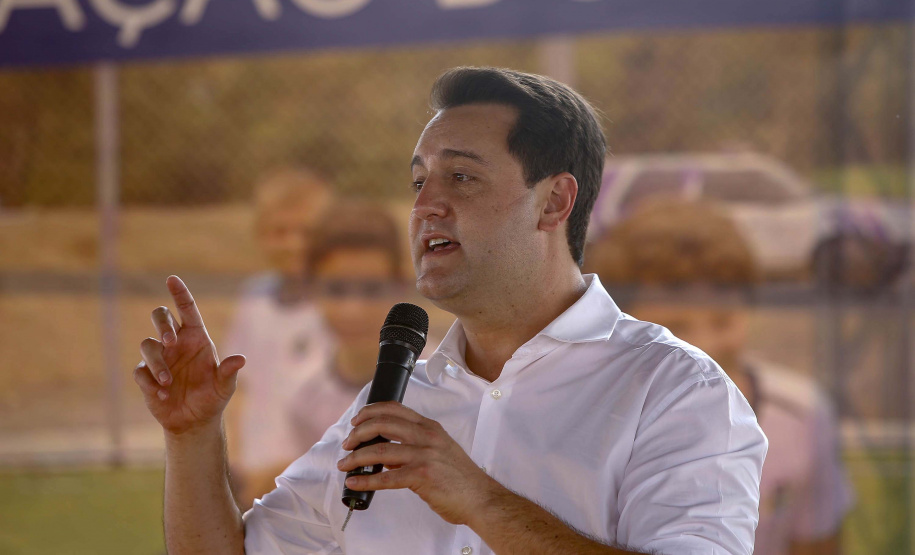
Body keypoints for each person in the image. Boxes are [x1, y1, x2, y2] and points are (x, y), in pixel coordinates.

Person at [132, 67, 767, 554]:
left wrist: (480, 500)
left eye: (460, 178)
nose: (425, 205)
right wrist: (192, 437)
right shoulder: (393, 404)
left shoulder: (679, 392)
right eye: (418, 182)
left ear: (553, 202)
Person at [586, 199, 853, 555]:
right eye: (675, 327)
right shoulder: (589, 419)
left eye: (723, 320)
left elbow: (817, 543)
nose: (703, 345)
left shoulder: (800, 415)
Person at [222, 168, 334, 508]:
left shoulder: (340, 308)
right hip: (252, 481)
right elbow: (238, 390)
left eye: (307, 232)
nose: (293, 243)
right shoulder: (253, 298)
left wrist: (281, 472)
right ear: (260, 234)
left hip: (314, 484)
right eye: (279, 231)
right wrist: (234, 464)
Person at [287, 200, 414, 455]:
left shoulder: (443, 381)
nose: (353, 310)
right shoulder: (305, 398)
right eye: (336, 290)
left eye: (371, 290)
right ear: (311, 288)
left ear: (401, 287)